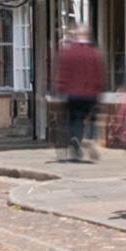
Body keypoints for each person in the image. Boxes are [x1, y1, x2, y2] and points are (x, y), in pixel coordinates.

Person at [52, 27, 107, 164]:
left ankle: (75, 139)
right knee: (93, 118)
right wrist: (100, 90)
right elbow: (99, 74)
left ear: (76, 36)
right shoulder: (94, 53)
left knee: (76, 119)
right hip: (91, 94)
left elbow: (62, 73)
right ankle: (92, 140)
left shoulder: (68, 53)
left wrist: (59, 89)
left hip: (73, 93)